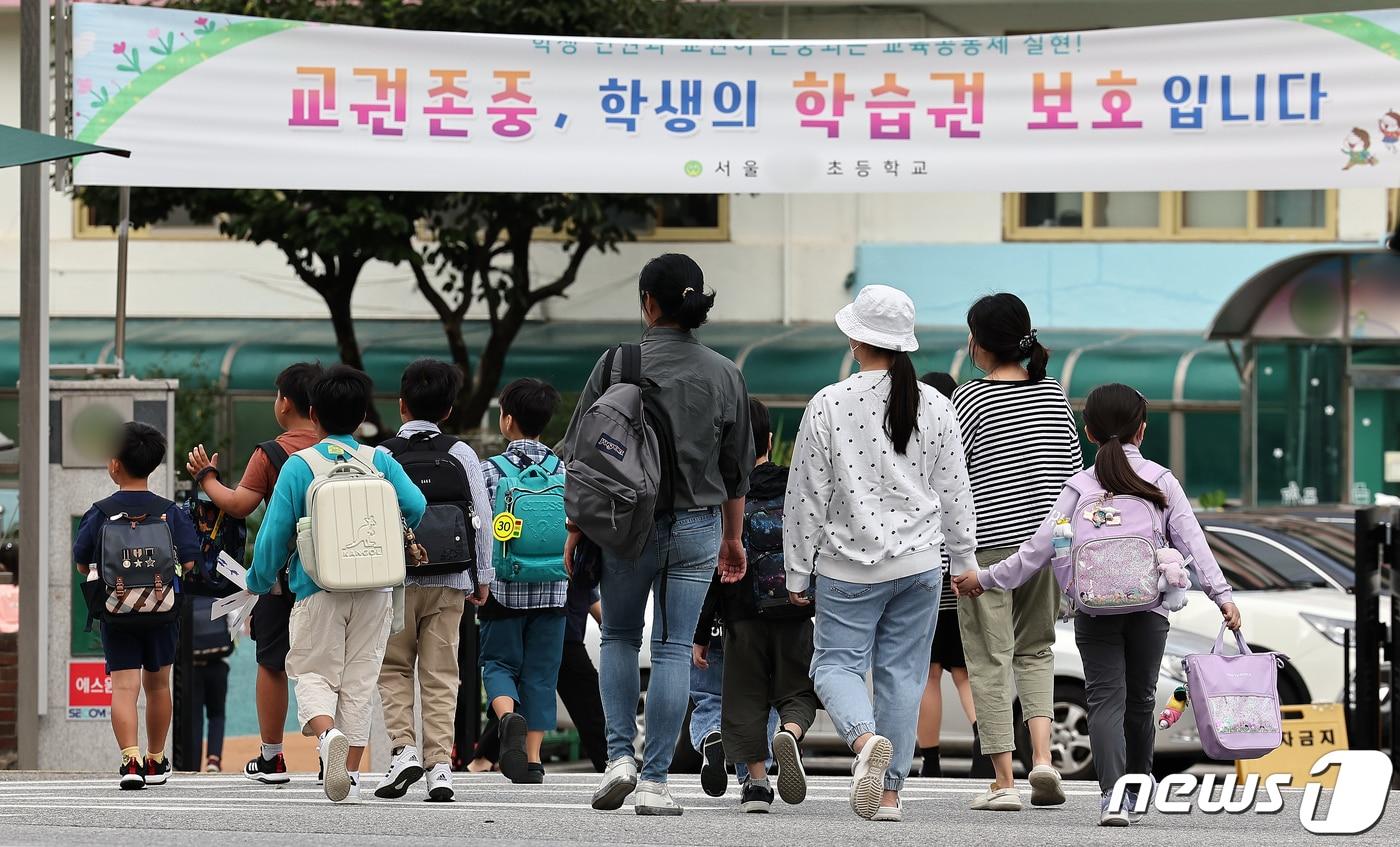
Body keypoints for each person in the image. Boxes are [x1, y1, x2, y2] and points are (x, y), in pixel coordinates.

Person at [956, 383, 1242, 826]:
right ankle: (1137, 789)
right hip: (1149, 611)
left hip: (1094, 610)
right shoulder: (1161, 481)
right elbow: (1194, 543)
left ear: (1088, 432)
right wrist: (1223, 596)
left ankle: (1112, 798)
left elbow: (1037, 551)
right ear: (1142, 431)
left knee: (1105, 700)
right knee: (1141, 701)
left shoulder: (1079, 486)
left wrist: (986, 579)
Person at [564, 253, 754, 816]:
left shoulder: (618, 363)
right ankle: (655, 782)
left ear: (648, 302)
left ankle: (618, 758)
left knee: (620, 637)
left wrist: (577, 526)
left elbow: (583, 451)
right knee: (673, 648)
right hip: (698, 525)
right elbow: (736, 470)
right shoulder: (725, 373)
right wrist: (732, 537)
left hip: (625, 528)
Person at [785, 285, 977, 823]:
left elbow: (806, 495)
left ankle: (865, 741)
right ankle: (890, 794)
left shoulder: (828, 402)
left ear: (855, 338)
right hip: (920, 565)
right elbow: (954, 490)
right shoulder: (937, 404)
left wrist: (796, 573)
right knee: (903, 677)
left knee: (834, 667)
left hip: (846, 565)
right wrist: (964, 562)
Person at [248, 365, 427, 803]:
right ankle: (348, 773)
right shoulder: (379, 459)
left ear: (313, 412)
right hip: (376, 588)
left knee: (311, 671)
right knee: (360, 681)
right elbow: (417, 505)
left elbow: (273, 535)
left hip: (318, 588)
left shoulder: (299, 465)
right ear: (363, 413)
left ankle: (327, 738)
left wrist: (258, 579)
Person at [950, 293, 1080, 811]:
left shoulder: (969, 400)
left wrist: (953, 557)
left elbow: (951, 482)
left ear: (980, 343)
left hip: (988, 550)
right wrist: (1065, 554)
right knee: (1037, 652)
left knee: (988, 659)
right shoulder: (1054, 392)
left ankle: (1004, 780)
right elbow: (1071, 477)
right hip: (1045, 549)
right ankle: (1044, 761)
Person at [185, 361, 323, 784]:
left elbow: (240, 504)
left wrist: (206, 477)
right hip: (335, 580)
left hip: (282, 579)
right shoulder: (341, 449)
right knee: (327, 668)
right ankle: (331, 752)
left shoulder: (272, 453)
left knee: (272, 663)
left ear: (285, 404)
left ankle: (272, 756)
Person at [375, 359, 494, 802]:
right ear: (448, 410)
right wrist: (482, 576)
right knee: (442, 674)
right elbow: (479, 517)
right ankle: (440, 765)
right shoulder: (461, 453)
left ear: (401, 405)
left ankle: (403, 751)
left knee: (394, 669)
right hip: (450, 580)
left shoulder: (384, 455)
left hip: (397, 580)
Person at [694, 397, 818, 814]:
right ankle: (791, 732)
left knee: (744, 697)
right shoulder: (796, 485)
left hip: (741, 614)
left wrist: (701, 632)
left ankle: (757, 786)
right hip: (795, 606)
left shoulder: (726, 495)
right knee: (798, 689)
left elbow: (714, 568)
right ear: (768, 439)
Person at [73, 422, 200, 789]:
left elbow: (83, 563)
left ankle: (130, 761)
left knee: (125, 688)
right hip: (163, 611)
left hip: (117, 610)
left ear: (115, 465)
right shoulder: (170, 512)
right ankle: (156, 761)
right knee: (159, 686)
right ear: (154, 465)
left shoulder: (100, 512)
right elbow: (190, 562)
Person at [478, 378, 569, 785]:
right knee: (542, 672)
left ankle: (506, 714)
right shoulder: (566, 471)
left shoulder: (489, 472)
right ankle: (532, 758)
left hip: (504, 586)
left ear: (507, 420)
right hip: (554, 586)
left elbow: (478, 528)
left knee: (497, 663)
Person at [914, 372, 984, 779]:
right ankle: (982, 748)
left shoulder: (916, 447)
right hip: (961, 573)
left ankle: (931, 763)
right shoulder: (960, 447)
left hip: (925, 569)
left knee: (929, 674)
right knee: (964, 672)